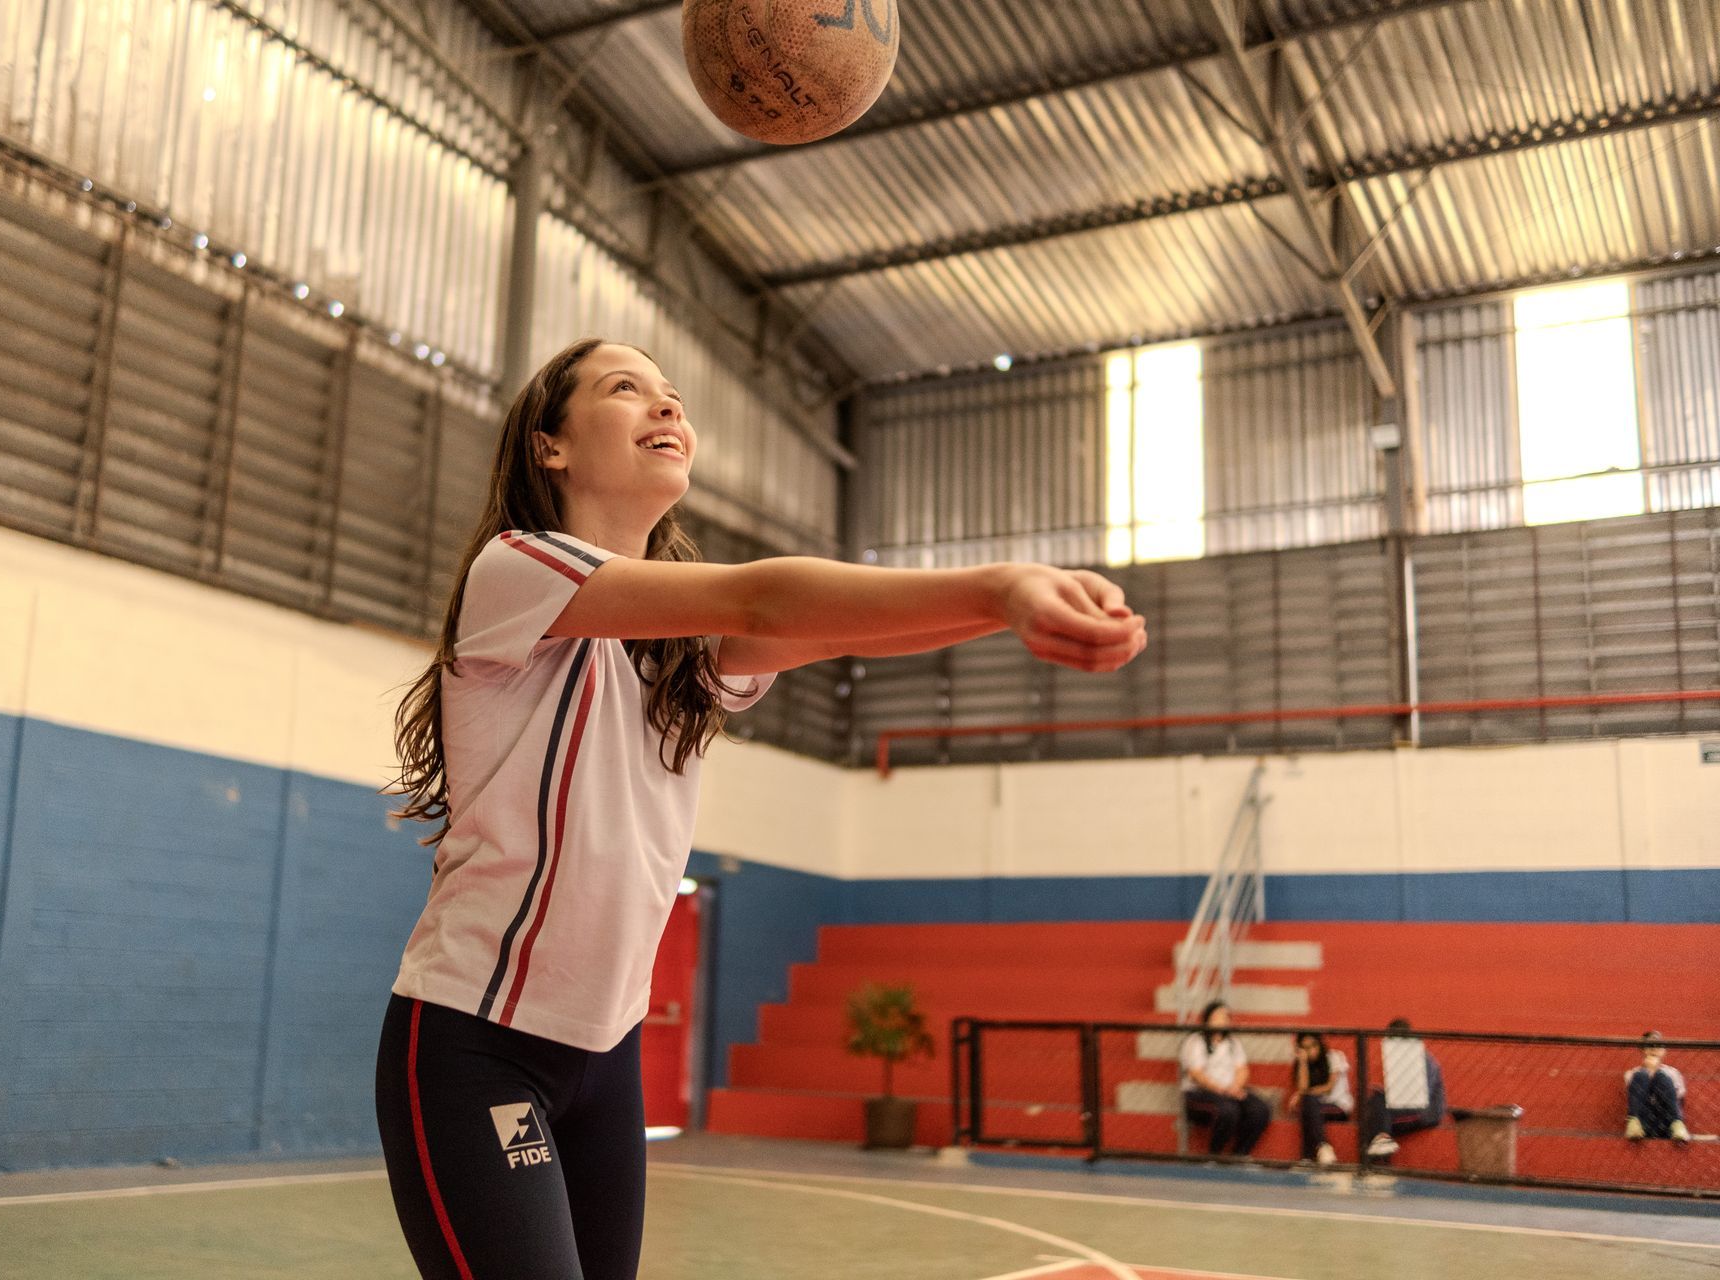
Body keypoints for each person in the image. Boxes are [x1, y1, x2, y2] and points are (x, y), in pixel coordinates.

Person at [373, 338, 1149, 1279]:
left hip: (607, 1059)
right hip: (479, 1043)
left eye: (673, 397)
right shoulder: (516, 569)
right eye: (628, 392)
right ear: (551, 448)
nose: (668, 410)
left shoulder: (675, 657)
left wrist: (1018, 610)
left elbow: (815, 626)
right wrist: (998, 584)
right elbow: (762, 598)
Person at [1179, 1000, 1271, 1157]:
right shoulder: (1196, 1041)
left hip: (1230, 1091)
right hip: (1201, 1092)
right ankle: (1214, 1156)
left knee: (1260, 1110)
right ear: (1207, 1019)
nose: (1223, 1020)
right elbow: (1196, 1074)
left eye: (1226, 1017)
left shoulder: (1233, 1043)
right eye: (1218, 1016)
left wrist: (1235, 1088)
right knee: (1229, 1111)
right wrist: (1221, 1090)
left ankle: (1239, 1155)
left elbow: (1242, 1069)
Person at [1362, 1017, 1446, 1159]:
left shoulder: (1423, 1059)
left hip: (1426, 1111)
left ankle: (1380, 1146)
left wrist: (1389, 1095)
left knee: (1375, 1109)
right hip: (1406, 1107)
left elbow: (1422, 1096)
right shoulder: (1398, 1059)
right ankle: (1382, 1142)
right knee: (1375, 1105)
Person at [1285, 1030, 1352, 1165]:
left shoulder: (1334, 1057)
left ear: (1320, 1044)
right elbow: (1303, 1088)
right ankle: (1315, 1153)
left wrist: (1301, 1094)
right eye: (1305, 1048)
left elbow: (1329, 1088)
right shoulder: (1303, 1063)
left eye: (1313, 1046)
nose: (1311, 1051)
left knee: (1308, 1105)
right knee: (1308, 1106)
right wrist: (1303, 1062)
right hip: (1315, 1107)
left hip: (1338, 1105)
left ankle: (1315, 1151)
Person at [1625, 1030, 1690, 1143]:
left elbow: (1677, 1097)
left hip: (1667, 1121)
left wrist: (1656, 1072)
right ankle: (1633, 1123)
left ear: (1664, 1050)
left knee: (1662, 1076)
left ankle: (1677, 1124)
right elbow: (1635, 1097)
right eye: (1650, 1045)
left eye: (1659, 1045)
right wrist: (1650, 1070)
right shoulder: (1632, 1073)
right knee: (1641, 1075)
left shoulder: (1673, 1073)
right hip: (1644, 1122)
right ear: (1643, 1049)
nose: (1654, 1048)